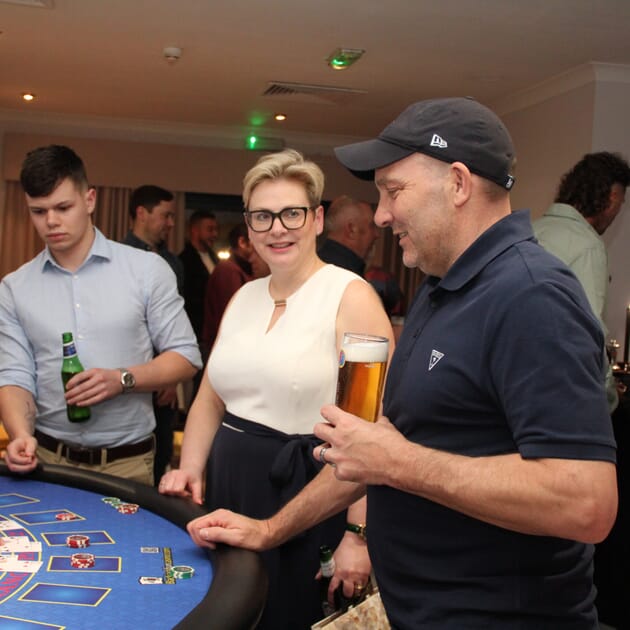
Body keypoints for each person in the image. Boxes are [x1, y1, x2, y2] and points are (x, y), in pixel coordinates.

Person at [185, 98, 618, 629]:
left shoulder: (532, 295)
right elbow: (376, 453)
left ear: (457, 184)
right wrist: (269, 530)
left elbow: (586, 502)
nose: (381, 215)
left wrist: (398, 466)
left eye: (394, 191)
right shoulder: (440, 288)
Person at [159, 149, 394, 629]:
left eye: (292, 213)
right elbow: (211, 397)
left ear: (317, 219)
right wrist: (190, 469)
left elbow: (374, 430)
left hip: (308, 497)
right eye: (262, 216)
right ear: (248, 225)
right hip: (229, 487)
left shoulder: (351, 297)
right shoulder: (243, 295)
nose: (277, 229)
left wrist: (358, 534)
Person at [0, 145, 201, 486]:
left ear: (90, 200)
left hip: (128, 463)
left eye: (63, 207)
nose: (51, 221)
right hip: (48, 461)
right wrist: (19, 434)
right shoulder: (15, 288)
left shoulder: (146, 270)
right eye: (39, 211)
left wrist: (122, 379)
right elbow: (14, 375)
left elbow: (186, 357)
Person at [533, 152, 630, 412]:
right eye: (621, 203)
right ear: (611, 198)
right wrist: (609, 399)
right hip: (557, 397)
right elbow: (588, 336)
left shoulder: (529, 230)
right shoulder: (588, 247)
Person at [122, 184, 187, 484]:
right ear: (141, 213)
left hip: (165, 381)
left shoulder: (173, 263)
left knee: (161, 453)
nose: (171, 223)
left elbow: (177, 327)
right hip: (128, 379)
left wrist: (171, 378)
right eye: (165, 215)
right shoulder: (119, 260)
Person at [201, 222, 254, 352]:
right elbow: (234, 318)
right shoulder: (228, 270)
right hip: (226, 348)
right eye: (257, 242)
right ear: (242, 242)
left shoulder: (239, 269)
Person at [178, 210, 219, 346]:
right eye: (210, 229)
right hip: (196, 335)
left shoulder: (215, 259)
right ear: (195, 230)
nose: (215, 234)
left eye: (216, 229)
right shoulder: (183, 261)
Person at [318, 195, 378, 277]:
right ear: (351, 230)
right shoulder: (347, 275)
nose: (376, 234)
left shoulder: (316, 263)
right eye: (371, 226)